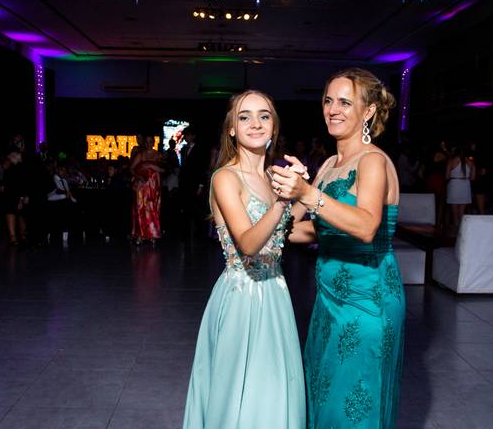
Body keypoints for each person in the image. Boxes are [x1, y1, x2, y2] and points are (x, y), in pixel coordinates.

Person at [272, 68, 404, 429]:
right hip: (328, 300)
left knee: (353, 404)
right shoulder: (330, 165)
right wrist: (267, 220)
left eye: (345, 102)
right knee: (323, 395)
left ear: (368, 111)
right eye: (328, 100)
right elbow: (310, 230)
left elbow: (365, 226)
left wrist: (306, 193)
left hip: (367, 300)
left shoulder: (373, 161)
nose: (333, 109)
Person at [183, 91, 305, 429]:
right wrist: (284, 201)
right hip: (242, 297)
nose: (255, 123)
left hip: (276, 294)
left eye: (264, 116)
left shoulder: (272, 178)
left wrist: (306, 192)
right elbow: (249, 244)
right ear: (232, 129)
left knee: (273, 390)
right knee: (238, 392)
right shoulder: (225, 177)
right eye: (244, 116)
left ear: (274, 127)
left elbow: (283, 231)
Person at [130, 134, 164, 244]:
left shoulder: (159, 155)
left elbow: (165, 169)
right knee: (140, 208)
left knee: (153, 208)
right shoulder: (140, 155)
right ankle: (140, 235)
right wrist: (138, 176)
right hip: (142, 185)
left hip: (154, 185)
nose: (149, 144)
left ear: (154, 142)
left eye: (151, 141)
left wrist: (153, 167)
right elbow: (131, 169)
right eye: (147, 141)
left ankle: (152, 234)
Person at [446, 145, 475, 231]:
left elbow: (447, 176)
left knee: (454, 211)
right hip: (465, 185)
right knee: (462, 211)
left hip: (454, 185)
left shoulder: (451, 161)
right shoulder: (471, 162)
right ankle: (462, 230)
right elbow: (473, 178)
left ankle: (456, 229)